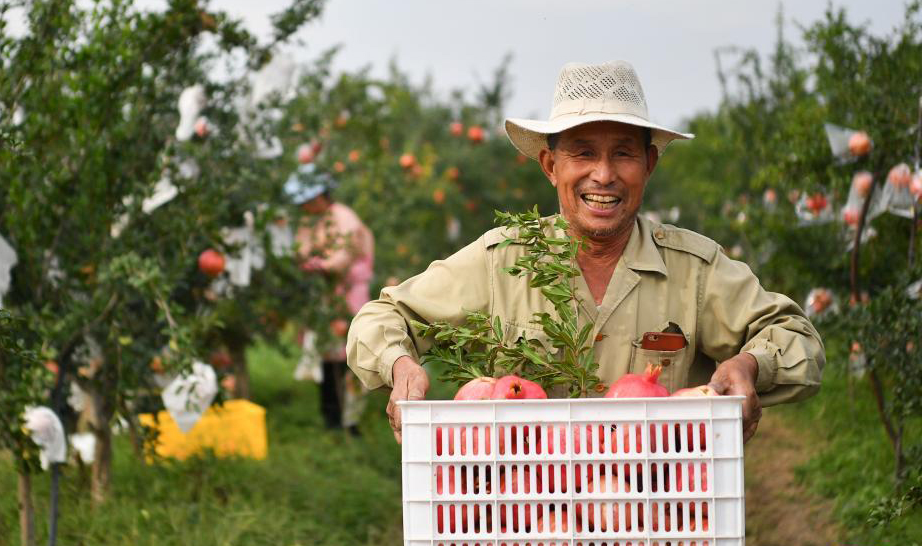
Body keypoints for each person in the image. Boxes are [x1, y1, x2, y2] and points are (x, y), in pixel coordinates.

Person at [346, 60, 824, 443]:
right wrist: (401, 365)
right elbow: (382, 318)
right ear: (551, 165)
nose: (603, 175)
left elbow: (798, 340)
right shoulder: (503, 262)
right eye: (583, 153)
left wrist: (749, 364)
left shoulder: (693, 269)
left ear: (649, 164)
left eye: (623, 152)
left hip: (660, 511)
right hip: (522, 514)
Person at [285, 165, 375, 435]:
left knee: (350, 357)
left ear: (320, 197)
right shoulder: (309, 221)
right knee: (325, 355)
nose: (304, 207)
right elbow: (300, 248)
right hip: (324, 294)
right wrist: (306, 259)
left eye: (307, 201)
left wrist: (324, 264)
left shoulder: (343, 217)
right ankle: (331, 417)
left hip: (347, 294)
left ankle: (351, 420)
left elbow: (345, 255)